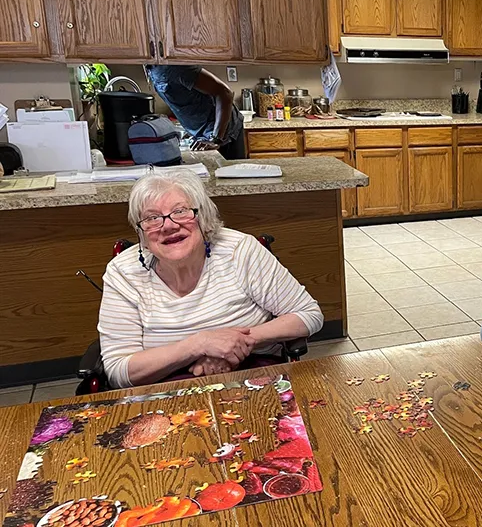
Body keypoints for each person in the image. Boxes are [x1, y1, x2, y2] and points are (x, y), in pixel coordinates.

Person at [97, 169, 323, 388]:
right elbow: (119, 372)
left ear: (202, 217)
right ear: (141, 232)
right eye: (152, 218)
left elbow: (308, 315)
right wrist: (199, 345)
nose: (169, 225)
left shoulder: (238, 251)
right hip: (161, 390)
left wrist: (234, 344)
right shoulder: (123, 273)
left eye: (180, 211)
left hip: (251, 376)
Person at [143, 65, 245, 159]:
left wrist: (215, 139)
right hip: (202, 134)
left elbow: (225, 92)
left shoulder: (175, 68)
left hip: (222, 134)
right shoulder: (152, 69)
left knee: (227, 175)